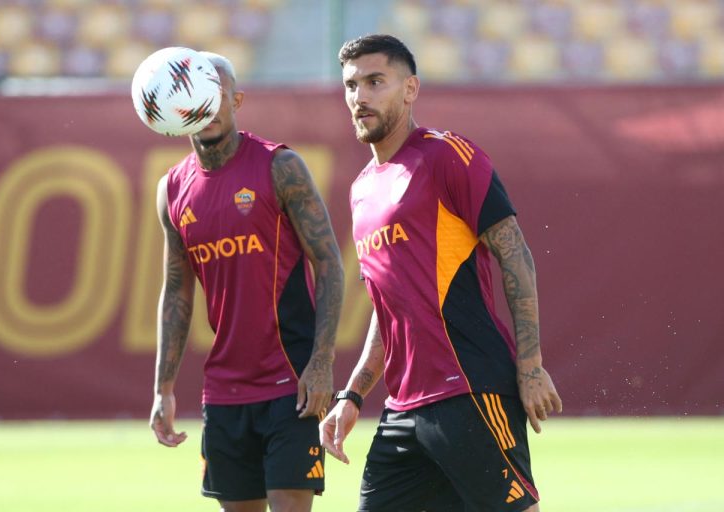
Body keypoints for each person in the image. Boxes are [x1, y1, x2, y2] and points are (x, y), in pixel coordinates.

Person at [319, 34, 563, 512]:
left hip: (468, 390)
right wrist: (352, 393)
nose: (360, 96)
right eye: (351, 85)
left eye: (375, 82)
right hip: (403, 408)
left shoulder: (447, 155)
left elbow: (515, 256)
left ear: (410, 89)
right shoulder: (362, 189)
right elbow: (386, 305)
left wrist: (530, 367)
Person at [149, 51, 344, 512]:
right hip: (225, 391)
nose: (207, 105)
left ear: (236, 100)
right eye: (194, 93)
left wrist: (321, 363)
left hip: (292, 383)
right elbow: (176, 292)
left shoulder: (280, 166)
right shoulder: (173, 189)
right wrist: (163, 389)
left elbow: (330, 263)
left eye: (216, 94)